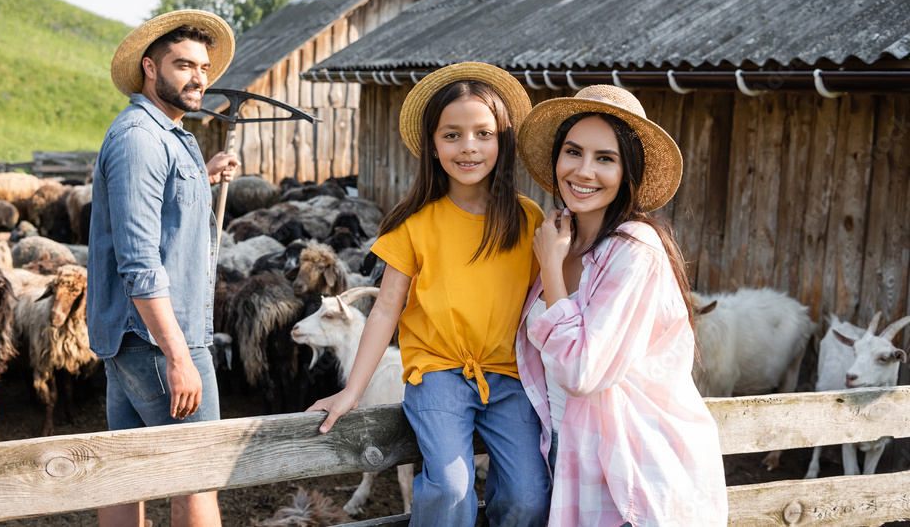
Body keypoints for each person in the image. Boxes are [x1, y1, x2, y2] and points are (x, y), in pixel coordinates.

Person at [308, 62, 551, 526]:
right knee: (452, 487)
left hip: (511, 376)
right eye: (452, 135)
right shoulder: (414, 223)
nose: (469, 147)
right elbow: (384, 311)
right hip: (438, 373)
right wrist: (351, 392)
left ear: (504, 140)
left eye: (483, 133)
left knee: (528, 497)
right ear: (432, 146)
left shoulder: (528, 219)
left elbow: (548, 298)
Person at [515, 85, 728, 527]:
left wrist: (551, 268)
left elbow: (581, 373)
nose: (584, 171)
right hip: (564, 449)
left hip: (629, 464)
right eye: (573, 152)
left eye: (605, 158)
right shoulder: (561, 237)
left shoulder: (635, 250)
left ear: (627, 171)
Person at [88, 10, 240, 527]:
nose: (198, 77)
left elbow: (161, 219)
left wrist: (204, 172)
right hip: (161, 337)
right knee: (196, 477)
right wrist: (179, 356)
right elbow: (138, 260)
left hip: (138, 336)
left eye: (203, 67)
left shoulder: (170, 135)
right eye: (183, 65)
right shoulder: (140, 139)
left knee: (126, 469)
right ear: (150, 68)